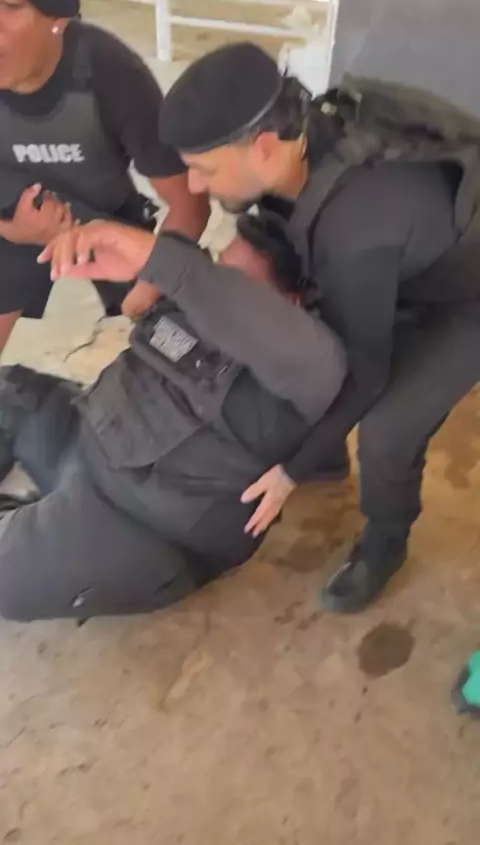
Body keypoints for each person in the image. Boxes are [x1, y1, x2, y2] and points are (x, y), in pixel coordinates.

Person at [149, 41, 480, 613]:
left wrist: (289, 472)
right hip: (405, 265)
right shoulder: (305, 134)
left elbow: (367, 372)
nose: (195, 187)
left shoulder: (358, 222)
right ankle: (325, 454)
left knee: (387, 425)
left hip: (464, 302)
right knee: (285, 324)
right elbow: (284, 226)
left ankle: (385, 540)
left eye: (204, 170)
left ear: (263, 147)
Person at [0, 220, 345, 622]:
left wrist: (171, 264)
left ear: (290, 306)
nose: (209, 286)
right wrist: (145, 287)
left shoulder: (299, 376)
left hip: (133, 525)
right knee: (10, 388)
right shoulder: (194, 301)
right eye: (217, 269)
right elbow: (143, 307)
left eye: (234, 285)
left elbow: (316, 360)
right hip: (83, 434)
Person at [0, 0, 209, 350]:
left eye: (9, 6)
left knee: (179, 339)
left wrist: (148, 289)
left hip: (106, 219)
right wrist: (13, 229)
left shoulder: (112, 73)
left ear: (57, 19)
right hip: (11, 213)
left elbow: (190, 205)